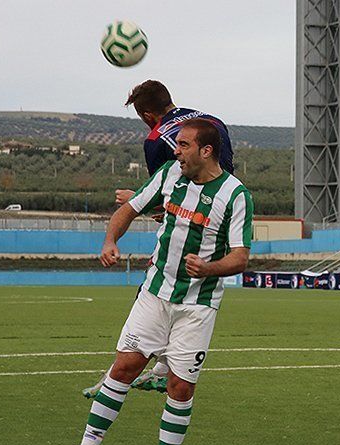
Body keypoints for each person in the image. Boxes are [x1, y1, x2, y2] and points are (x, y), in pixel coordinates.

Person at [56, 119, 254, 445]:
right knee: (125, 366)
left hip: (197, 307)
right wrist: (111, 240)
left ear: (206, 150)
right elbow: (128, 209)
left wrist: (210, 269)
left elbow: (241, 256)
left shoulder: (235, 195)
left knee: (180, 389)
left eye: (182, 145)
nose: (175, 151)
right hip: (155, 295)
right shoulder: (168, 176)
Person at [82, 80, 236, 398]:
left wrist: (135, 198)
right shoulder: (208, 122)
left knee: (153, 294)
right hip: (221, 219)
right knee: (182, 298)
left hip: (188, 231)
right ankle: (163, 369)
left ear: (147, 114)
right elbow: (218, 176)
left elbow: (163, 193)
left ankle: (121, 373)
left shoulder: (156, 139)